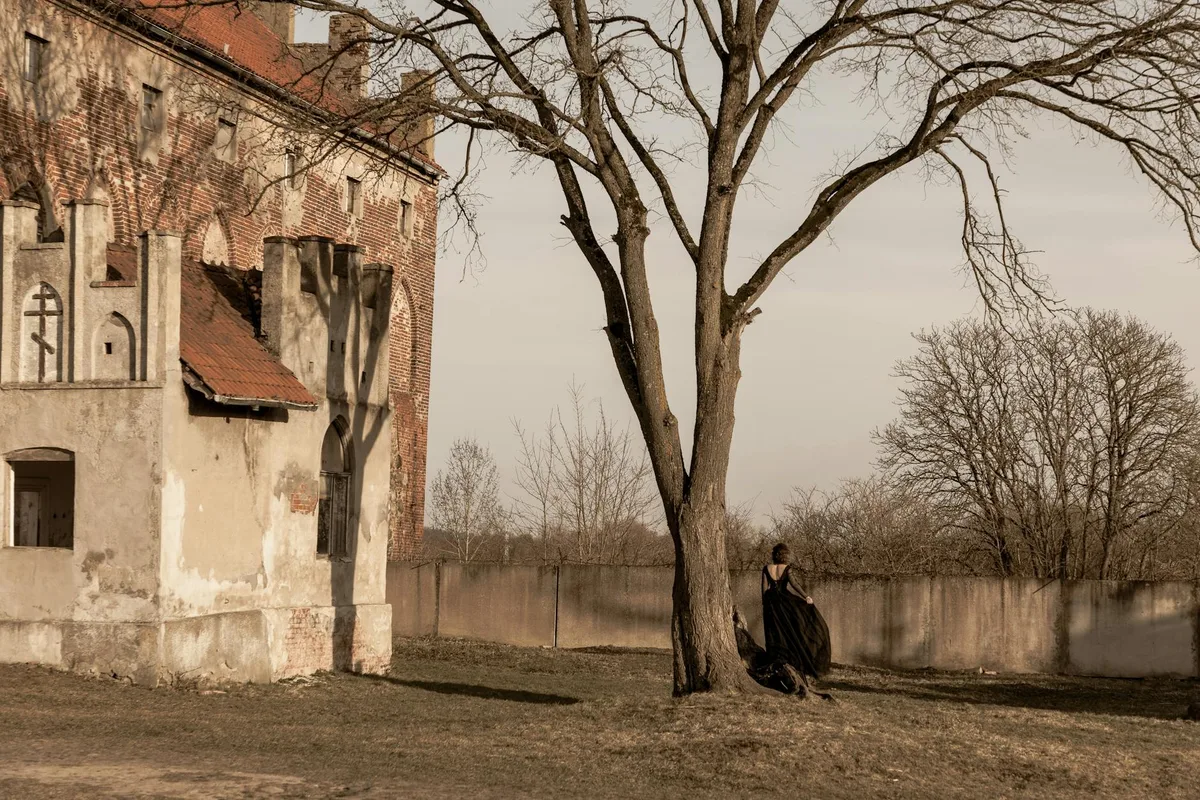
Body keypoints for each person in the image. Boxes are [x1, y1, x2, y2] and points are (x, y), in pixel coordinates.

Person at [762, 542, 832, 686]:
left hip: (771, 603)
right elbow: (795, 585)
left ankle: (776, 663)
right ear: (785, 555)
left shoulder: (766, 568)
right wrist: (806, 596)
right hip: (784, 602)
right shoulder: (787, 569)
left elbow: (764, 590)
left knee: (775, 632)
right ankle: (790, 662)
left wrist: (765, 605)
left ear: (774, 555)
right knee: (791, 630)